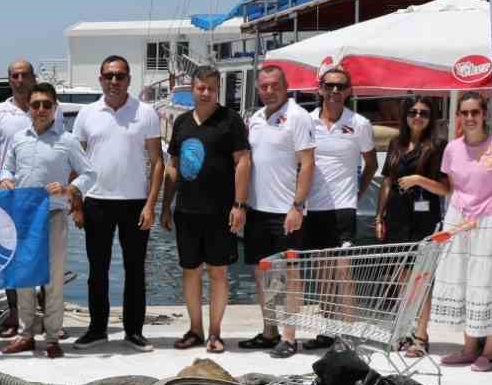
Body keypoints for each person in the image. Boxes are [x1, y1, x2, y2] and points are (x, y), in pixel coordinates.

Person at [416, 91, 492, 369]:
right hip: (457, 223)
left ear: (485, 115)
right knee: (462, 284)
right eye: (465, 113)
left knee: (490, 285)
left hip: (490, 223)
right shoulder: (452, 149)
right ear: (458, 116)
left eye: (475, 112)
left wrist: (486, 213)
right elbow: (451, 188)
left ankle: (491, 352)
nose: (470, 117)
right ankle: (469, 348)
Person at [73, 54, 164, 350]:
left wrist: (151, 205)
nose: (114, 81)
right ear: (100, 79)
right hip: (96, 201)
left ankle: (134, 331)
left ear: (129, 80)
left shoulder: (147, 113)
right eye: (109, 76)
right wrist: (76, 203)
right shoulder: (87, 114)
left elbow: (157, 162)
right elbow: (76, 162)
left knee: (135, 270)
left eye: (120, 76)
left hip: (135, 204)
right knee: (97, 270)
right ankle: (97, 329)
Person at [0, 83, 94, 358]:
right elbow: (8, 167)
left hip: (53, 215)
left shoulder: (67, 141)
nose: (41, 110)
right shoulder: (19, 139)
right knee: (25, 279)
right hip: (23, 217)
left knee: (52, 280)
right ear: (28, 107)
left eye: (46, 105)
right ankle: (26, 334)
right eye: (36, 104)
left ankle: (52, 337)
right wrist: (6, 178)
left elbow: (90, 174)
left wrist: (69, 189)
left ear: (54, 108)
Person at [161, 66, 249, 354]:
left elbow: (243, 162)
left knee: (219, 273)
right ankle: (195, 330)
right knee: (190, 272)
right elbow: (172, 166)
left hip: (220, 212)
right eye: (201, 87)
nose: (206, 92)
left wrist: (239, 204)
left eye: (211, 87)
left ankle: (215, 333)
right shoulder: (182, 122)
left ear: (218, 88)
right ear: (192, 87)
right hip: (186, 211)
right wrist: (165, 207)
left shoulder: (231, 120)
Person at [241, 64, 315, 358]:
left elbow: (308, 163)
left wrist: (297, 206)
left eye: (274, 85)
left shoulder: (298, 117)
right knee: (262, 274)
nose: (269, 91)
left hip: (287, 211)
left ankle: (290, 336)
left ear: (285, 87)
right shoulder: (256, 118)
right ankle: (269, 331)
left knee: (290, 275)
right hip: (257, 209)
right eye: (263, 86)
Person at [302, 65, 377, 348]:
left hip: (344, 206)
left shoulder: (360, 124)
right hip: (314, 207)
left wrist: (359, 192)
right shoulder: (306, 122)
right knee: (323, 272)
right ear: (320, 88)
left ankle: (348, 334)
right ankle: (327, 331)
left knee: (343, 271)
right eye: (329, 85)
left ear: (349, 92)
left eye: (341, 86)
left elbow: (370, 164)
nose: (335, 91)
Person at [0, 60, 61, 337]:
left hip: (45, 200)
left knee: (46, 262)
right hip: (10, 197)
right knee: (13, 262)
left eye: (24, 75)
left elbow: (60, 147)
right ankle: (16, 317)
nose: (19, 79)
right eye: (14, 76)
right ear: (9, 79)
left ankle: (47, 319)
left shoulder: (48, 109)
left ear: (32, 77)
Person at [374, 94, 444, 359]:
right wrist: (379, 217)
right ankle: (404, 331)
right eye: (413, 112)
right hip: (396, 216)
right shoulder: (396, 143)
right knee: (400, 278)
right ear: (405, 116)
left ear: (431, 118)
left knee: (422, 280)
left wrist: (418, 179)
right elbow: (388, 182)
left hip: (424, 218)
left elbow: (445, 188)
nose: (417, 116)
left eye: (424, 113)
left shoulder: (437, 146)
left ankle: (421, 335)